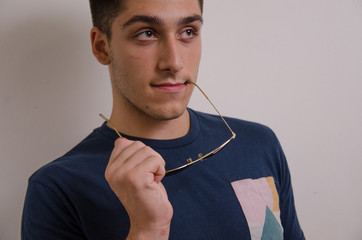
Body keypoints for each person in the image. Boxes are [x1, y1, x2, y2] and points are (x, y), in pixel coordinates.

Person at [21, 0, 305, 239]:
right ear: (102, 47)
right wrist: (147, 230)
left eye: (188, 31)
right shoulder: (58, 188)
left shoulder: (258, 144)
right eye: (147, 33)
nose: (174, 62)